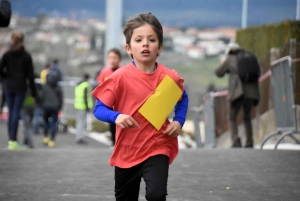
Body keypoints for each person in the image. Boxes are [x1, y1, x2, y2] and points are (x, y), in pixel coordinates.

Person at [92, 13, 189, 201]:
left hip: (157, 146)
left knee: (156, 194)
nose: (145, 44)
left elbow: (182, 98)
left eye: (151, 40)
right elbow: (99, 109)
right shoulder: (119, 77)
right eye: (139, 40)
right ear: (128, 48)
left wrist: (178, 121)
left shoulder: (169, 78)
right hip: (127, 150)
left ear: (159, 47)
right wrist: (117, 116)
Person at [215, 43, 260, 148]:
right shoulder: (248, 57)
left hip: (237, 93)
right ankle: (249, 142)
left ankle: (236, 141)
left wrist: (223, 63)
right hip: (251, 92)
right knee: (247, 117)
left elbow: (218, 73)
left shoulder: (230, 59)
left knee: (232, 117)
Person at [0, 32, 37, 150]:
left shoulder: (7, 55)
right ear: (22, 41)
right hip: (20, 87)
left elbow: (0, 70)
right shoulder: (26, 56)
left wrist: (5, 79)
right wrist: (34, 93)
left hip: (8, 86)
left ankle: (11, 140)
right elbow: (30, 76)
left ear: (12, 40)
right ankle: (13, 141)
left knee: (11, 112)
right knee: (16, 111)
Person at [96, 48, 122, 146]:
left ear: (119, 59)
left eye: (115, 57)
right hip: (110, 104)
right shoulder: (104, 72)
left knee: (121, 125)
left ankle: (120, 143)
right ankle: (114, 143)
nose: (112, 60)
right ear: (107, 59)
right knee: (112, 124)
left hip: (122, 104)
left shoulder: (123, 71)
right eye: (110, 57)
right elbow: (100, 86)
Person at [40, 71, 63, 148]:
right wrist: (59, 107)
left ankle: (45, 137)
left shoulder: (45, 87)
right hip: (55, 108)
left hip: (45, 107)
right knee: (53, 123)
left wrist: (41, 106)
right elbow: (60, 99)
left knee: (45, 122)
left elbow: (42, 97)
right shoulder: (58, 88)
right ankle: (52, 140)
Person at [74, 73, 93, 145]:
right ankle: (80, 138)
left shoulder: (78, 84)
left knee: (78, 122)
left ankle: (78, 136)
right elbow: (86, 97)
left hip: (77, 105)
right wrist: (87, 107)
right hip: (83, 106)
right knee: (82, 123)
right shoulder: (85, 85)